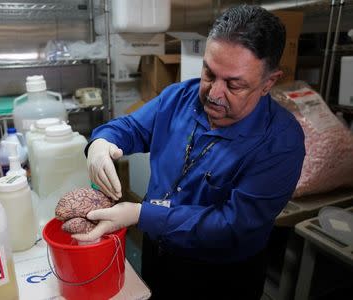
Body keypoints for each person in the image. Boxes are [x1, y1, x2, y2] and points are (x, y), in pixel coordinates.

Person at [72, 5, 306, 299]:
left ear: (268, 82)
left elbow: (234, 225)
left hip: (220, 275)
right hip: (158, 254)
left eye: (234, 84)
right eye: (209, 72)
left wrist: (142, 214)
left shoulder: (281, 143)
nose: (213, 93)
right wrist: (100, 144)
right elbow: (130, 128)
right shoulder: (179, 97)